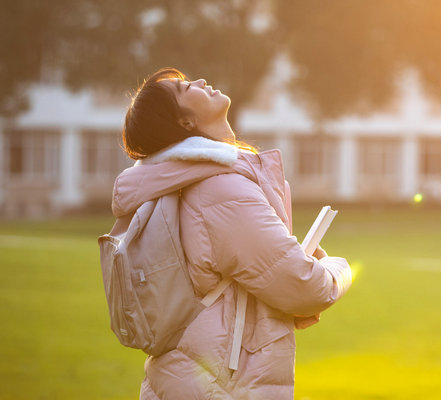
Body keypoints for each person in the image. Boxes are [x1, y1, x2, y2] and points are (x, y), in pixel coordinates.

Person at [111, 67, 353, 400]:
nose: (198, 81)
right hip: (222, 386)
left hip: (198, 379)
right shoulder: (220, 189)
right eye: (184, 89)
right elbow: (304, 286)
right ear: (184, 123)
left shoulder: (191, 182)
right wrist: (338, 269)